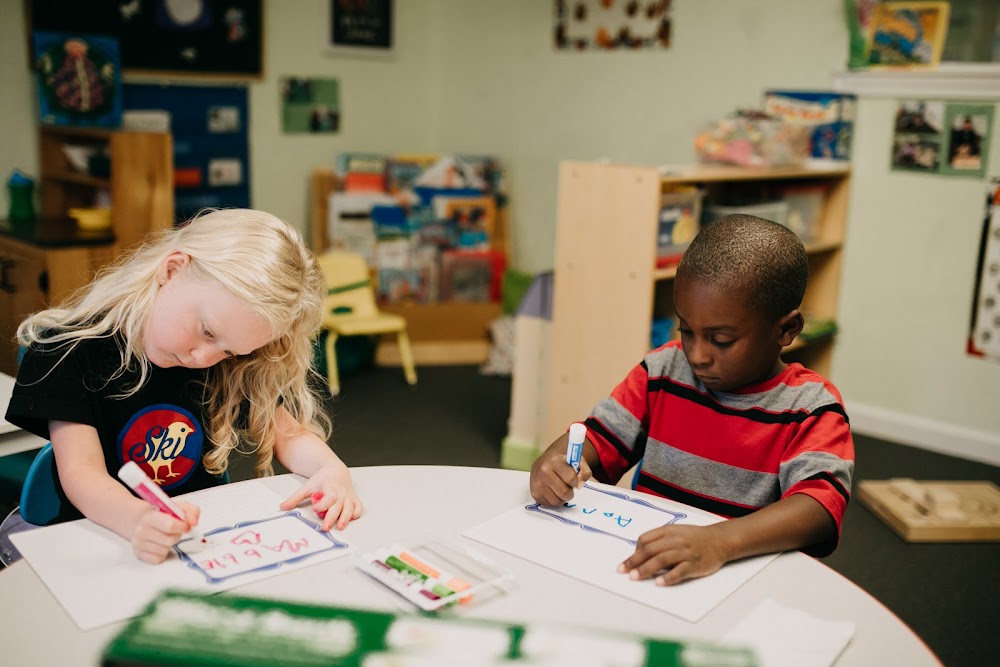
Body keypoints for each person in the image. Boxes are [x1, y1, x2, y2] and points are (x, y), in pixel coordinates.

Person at [6, 209, 363, 564]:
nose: (204, 358)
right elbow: (82, 474)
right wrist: (138, 520)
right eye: (206, 331)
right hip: (98, 538)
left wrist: (330, 470)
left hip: (191, 544)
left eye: (229, 351)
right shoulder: (68, 351)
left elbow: (289, 435)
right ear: (172, 270)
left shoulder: (228, 365)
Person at [529, 214, 854, 586]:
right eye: (686, 330)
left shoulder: (812, 407)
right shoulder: (662, 370)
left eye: (721, 340)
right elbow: (597, 439)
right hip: (650, 568)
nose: (697, 355)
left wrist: (720, 541)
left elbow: (819, 509)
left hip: (739, 578)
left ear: (786, 330)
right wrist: (553, 464)